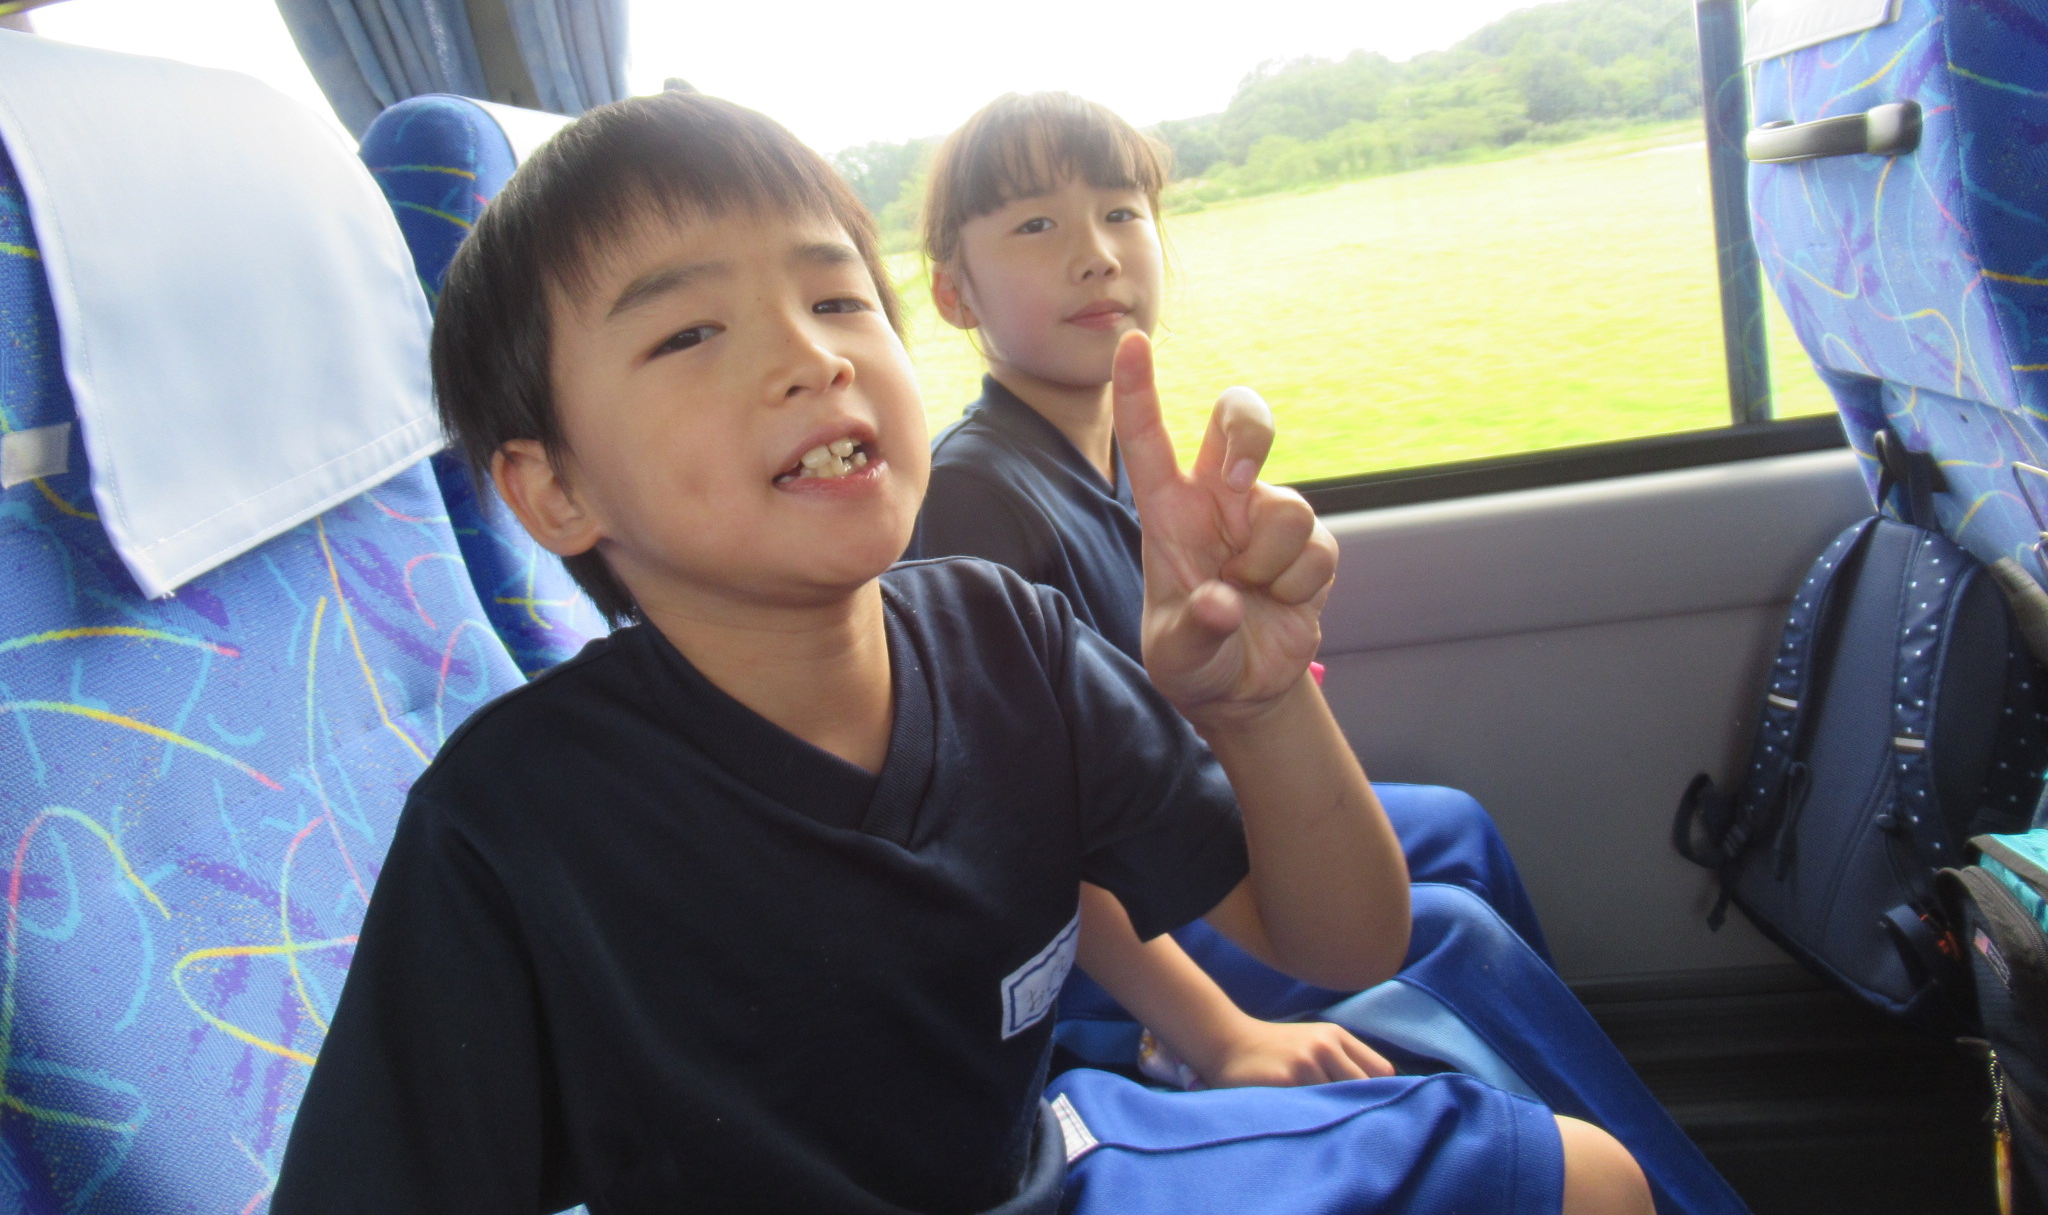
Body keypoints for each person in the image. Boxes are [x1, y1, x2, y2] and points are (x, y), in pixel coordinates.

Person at [270, 90, 1650, 1215]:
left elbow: (1341, 940)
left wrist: (1262, 703)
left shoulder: (1009, 639)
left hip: (1039, 1168)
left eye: (838, 299)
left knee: (1588, 1180)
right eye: (690, 331)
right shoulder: (513, 826)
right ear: (554, 490)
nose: (812, 356)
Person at [909, 93, 1548, 1047]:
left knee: (1457, 829)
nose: (1098, 253)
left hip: (1184, 830)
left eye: (1121, 211)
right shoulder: (973, 498)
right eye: (1036, 224)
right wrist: (1218, 1035)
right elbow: (1026, 834)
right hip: (1115, 939)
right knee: (1451, 934)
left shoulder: (1129, 465)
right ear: (955, 295)